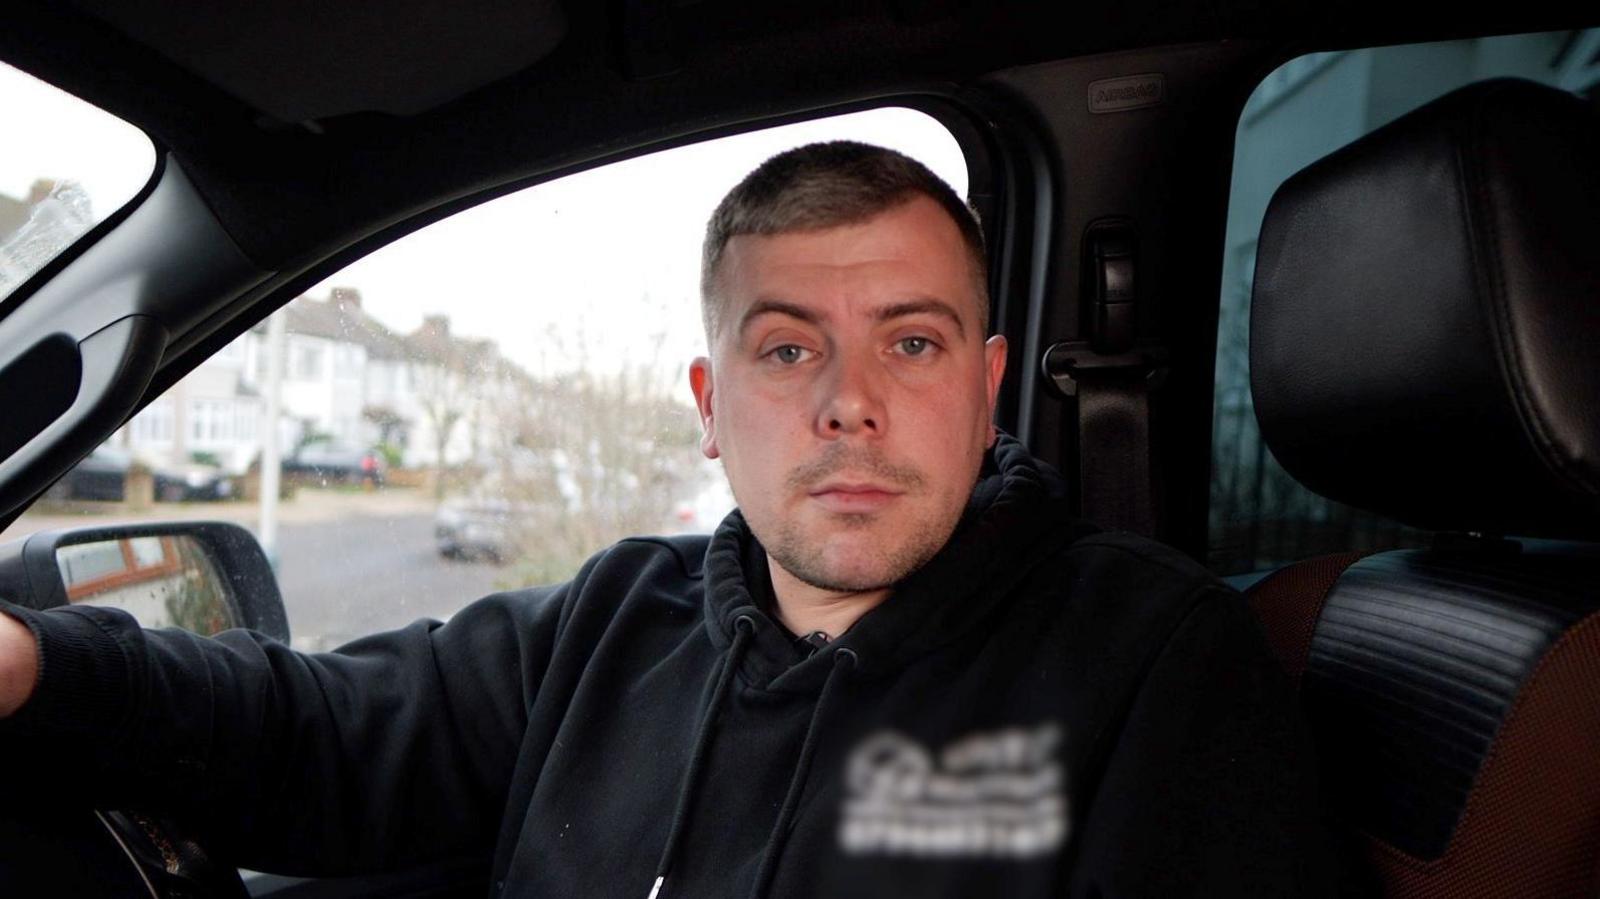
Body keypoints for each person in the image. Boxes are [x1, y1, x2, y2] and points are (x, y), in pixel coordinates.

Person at [0, 141, 1340, 897]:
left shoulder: (1154, 667)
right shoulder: (610, 625)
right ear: (710, 403)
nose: (849, 406)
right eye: (785, 350)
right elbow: (315, 733)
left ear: (989, 390)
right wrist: (39, 668)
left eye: (914, 345)